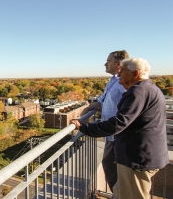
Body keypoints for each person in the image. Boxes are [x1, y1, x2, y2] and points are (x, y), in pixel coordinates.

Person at [71, 58, 169, 199]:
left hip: (137, 158)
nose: (118, 75)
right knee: (121, 192)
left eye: (122, 72)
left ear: (135, 74)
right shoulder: (150, 89)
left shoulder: (138, 92)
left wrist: (84, 127)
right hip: (143, 155)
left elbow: (118, 123)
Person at [81, 50, 129, 191]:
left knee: (117, 170)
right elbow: (100, 102)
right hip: (111, 136)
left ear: (119, 63)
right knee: (109, 164)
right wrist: (86, 110)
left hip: (120, 135)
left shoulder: (124, 83)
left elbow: (131, 108)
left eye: (108, 61)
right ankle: (117, 194)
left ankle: (119, 195)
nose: (105, 64)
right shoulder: (113, 81)